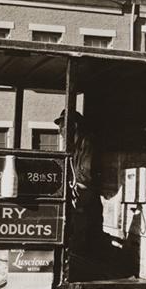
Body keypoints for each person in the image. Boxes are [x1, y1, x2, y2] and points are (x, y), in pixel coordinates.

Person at [54, 109, 112, 279]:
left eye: (63, 126)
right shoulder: (74, 145)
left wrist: (74, 188)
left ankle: (76, 267)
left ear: (75, 126)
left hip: (87, 196)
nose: (61, 131)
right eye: (60, 127)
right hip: (82, 193)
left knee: (78, 224)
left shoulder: (87, 143)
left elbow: (86, 174)